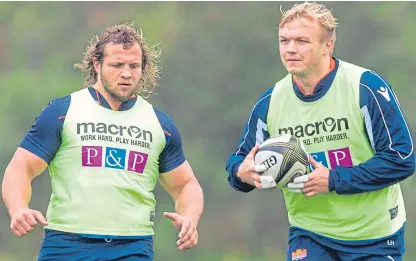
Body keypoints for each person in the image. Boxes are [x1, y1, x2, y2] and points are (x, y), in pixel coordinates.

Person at [225, 2, 414, 261]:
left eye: (302, 41)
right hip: (310, 233)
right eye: (284, 40)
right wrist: (241, 173)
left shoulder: (365, 87)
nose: (290, 49)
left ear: (328, 45)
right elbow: (238, 162)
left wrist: (334, 180)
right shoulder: (270, 103)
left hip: (375, 237)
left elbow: (401, 159)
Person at [2, 22, 204, 261]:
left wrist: (190, 217)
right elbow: (20, 168)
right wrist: (18, 209)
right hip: (67, 244)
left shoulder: (160, 124)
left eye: (134, 66)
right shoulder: (63, 111)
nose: (127, 73)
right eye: (117, 65)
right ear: (97, 65)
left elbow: (185, 184)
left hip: (132, 248)